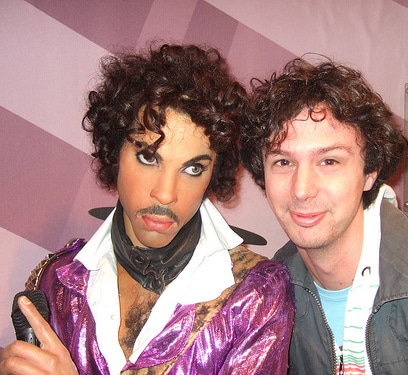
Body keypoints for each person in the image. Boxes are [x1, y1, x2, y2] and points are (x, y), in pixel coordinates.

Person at [0, 44, 294, 375]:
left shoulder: (255, 294)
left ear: (215, 173)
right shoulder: (57, 281)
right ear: (114, 153)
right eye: (148, 157)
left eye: (193, 169)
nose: (166, 194)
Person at [240, 57, 408, 374]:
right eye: (283, 162)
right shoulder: (267, 298)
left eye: (330, 161)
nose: (302, 189)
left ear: (369, 173)